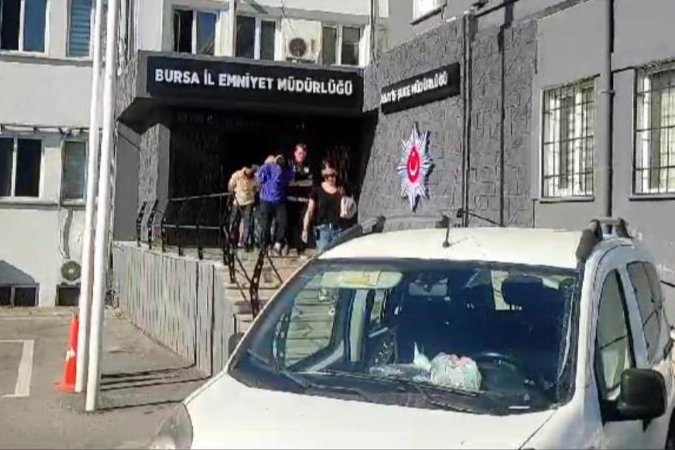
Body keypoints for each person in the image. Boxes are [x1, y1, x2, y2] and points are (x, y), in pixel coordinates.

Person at [302, 161, 345, 251]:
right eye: (327, 176)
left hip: (338, 230)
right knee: (324, 256)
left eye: (332, 175)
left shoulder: (340, 190)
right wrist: (305, 229)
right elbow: (310, 210)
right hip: (323, 231)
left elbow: (346, 208)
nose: (330, 178)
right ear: (323, 176)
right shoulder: (317, 190)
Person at [256, 154, 293, 254]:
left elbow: (290, 176)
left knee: (283, 222)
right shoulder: (268, 167)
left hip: (279, 200)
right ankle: (265, 246)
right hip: (266, 199)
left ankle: (278, 243)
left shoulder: (285, 170)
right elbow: (259, 177)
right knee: (265, 224)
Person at [286, 144, 316, 256]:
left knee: (303, 223)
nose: (301, 155)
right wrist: (298, 182)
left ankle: (301, 248)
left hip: (303, 199)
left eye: (303, 153)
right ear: (295, 153)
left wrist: (297, 182)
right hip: (290, 199)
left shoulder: (309, 165)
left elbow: (310, 182)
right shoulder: (289, 165)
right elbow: (288, 182)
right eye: (299, 153)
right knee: (290, 223)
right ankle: (290, 245)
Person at [227, 165, 258, 250]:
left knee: (247, 222)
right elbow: (231, 185)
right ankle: (232, 241)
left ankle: (245, 242)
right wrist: (232, 193)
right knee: (234, 221)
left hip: (249, 202)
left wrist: (254, 191)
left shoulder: (254, 178)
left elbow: (257, 187)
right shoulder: (237, 175)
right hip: (237, 201)